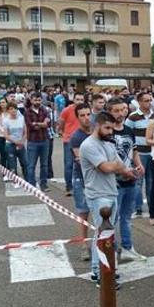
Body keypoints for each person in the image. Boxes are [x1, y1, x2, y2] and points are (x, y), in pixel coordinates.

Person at [80, 111, 131, 289]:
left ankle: (103, 268)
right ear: (97, 126)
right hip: (97, 195)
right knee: (102, 235)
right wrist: (117, 166)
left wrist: (131, 171)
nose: (111, 131)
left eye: (112, 127)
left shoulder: (108, 144)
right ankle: (99, 272)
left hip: (111, 193)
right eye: (107, 127)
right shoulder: (88, 145)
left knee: (106, 233)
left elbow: (119, 165)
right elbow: (107, 167)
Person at [106, 97, 147, 261]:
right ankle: (112, 251)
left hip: (131, 180)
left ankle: (128, 247)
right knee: (112, 219)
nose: (120, 113)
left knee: (127, 217)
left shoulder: (129, 130)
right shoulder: (108, 132)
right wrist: (123, 170)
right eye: (115, 110)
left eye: (123, 109)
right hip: (114, 182)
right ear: (109, 112)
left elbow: (134, 150)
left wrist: (139, 165)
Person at [68, 103, 93, 253]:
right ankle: (84, 244)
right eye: (82, 115)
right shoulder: (76, 137)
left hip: (96, 178)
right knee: (83, 212)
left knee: (100, 213)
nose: (86, 118)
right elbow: (81, 159)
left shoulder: (97, 131)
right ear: (77, 118)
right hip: (81, 178)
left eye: (88, 114)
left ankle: (102, 243)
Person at [126, 92, 153, 217]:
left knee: (151, 181)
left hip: (152, 153)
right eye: (146, 100)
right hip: (139, 153)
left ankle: (153, 206)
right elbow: (127, 134)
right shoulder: (133, 117)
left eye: (150, 100)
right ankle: (138, 207)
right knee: (138, 181)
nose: (149, 103)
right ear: (140, 102)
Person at [57, 92, 86, 195]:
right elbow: (61, 123)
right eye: (77, 99)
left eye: (81, 100)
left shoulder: (86, 111)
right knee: (69, 164)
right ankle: (69, 187)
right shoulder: (67, 110)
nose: (79, 102)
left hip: (83, 140)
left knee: (82, 164)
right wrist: (62, 132)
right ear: (73, 100)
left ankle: (83, 186)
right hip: (69, 140)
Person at [24, 92, 51, 191]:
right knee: (31, 165)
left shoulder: (44, 110)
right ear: (31, 100)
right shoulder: (27, 112)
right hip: (33, 141)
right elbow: (31, 126)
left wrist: (39, 124)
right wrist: (42, 124)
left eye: (39, 100)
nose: (37, 102)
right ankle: (32, 184)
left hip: (44, 140)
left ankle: (43, 184)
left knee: (44, 164)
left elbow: (48, 124)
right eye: (35, 100)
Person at [2, 101, 28, 180]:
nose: (13, 110)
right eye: (11, 109)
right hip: (10, 144)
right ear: (8, 110)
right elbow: (6, 135)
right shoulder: (6, 121)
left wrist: (22, 141)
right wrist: (15, 142)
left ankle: (27, 180)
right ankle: (15, 181)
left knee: (25, 163)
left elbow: (25, 131)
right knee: (12, 165)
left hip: (21, 144)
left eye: (15, 109)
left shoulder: (22, 118)